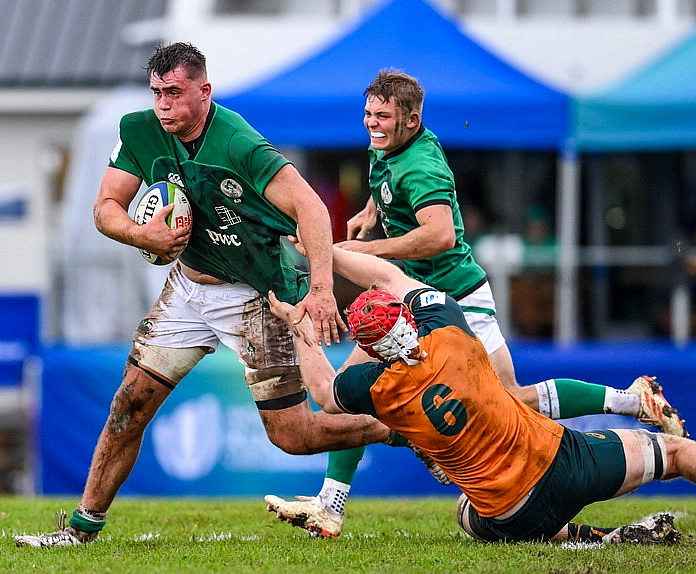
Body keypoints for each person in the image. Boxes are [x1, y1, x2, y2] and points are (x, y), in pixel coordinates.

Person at [14, 42, 407, 547]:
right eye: (157, 93)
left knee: (293, 436)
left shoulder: (238, 141)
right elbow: (105, 206)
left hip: (257, 295)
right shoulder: (138, 130)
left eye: (174, 93)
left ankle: (397, 429)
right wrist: (143, 236)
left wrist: (324, 289)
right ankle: (81, 529)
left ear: (204, 91)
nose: (163, 105)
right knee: (127, 405)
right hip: (186, 287)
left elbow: (311, 207)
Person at [264, 69, 688, 537]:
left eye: (382, 116)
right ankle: (331, 503)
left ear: (412, 118)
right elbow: (384, 183)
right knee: (350, 392)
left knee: (513, 400)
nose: (372, 123)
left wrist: (360, 251)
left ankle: (631, 401)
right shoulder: (388, 143)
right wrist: (369, 214)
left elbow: (440, 235)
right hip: (404, 300)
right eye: (367, 114)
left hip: (452, 299)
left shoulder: (421, 163)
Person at [265, 244, 693, 544]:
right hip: (562, 465)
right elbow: (389, 275)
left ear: (371, 350)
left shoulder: (379, 388)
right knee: (673, 454)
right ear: (408, 319)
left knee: (467, 516)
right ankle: (629, 402)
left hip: (507, 513)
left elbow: (323, 393)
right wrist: (323, 251)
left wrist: (299, 328)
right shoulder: (450, 330)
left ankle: (604, 537)